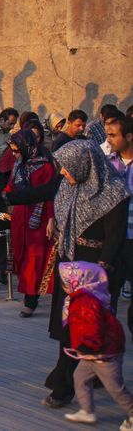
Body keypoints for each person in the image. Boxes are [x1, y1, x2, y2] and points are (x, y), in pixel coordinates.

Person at [42, 140, 129, 409]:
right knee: (67, 322)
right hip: (70, 263)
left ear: (84, 163)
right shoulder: (71, 188)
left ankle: (72, 382)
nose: (63, 173)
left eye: (68, 167)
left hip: (96, 269)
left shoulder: (114, 192)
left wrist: (101, 271)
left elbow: (115, 237)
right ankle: (67, 374)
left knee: (90, 325)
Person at [56, 262, 133, 428]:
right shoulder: (85, 296)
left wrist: (87, 346)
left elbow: (93, 326)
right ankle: (87, 411)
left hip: (103, 352)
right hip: (91, 352)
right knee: (80, 378)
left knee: (115, 389)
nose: (63, 285)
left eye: (65, 281)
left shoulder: (85, 301)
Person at [4, 130, 58, 317]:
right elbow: (10, 188)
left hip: (39, 216)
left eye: (16, 150)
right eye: (12, 150)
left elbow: (50, 193)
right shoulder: (19, 165)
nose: (14, 154)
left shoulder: (45, 166)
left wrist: (51, 218)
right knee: (21, 255)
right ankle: (29, 291)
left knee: (34, 259)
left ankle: (30, 300)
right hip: (20, 216)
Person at [106, 116, 133, 334]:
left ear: (129, 137)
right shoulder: (107, 163)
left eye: (113, 135)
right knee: (109, 291)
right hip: (112, 238)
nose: (109, 140)